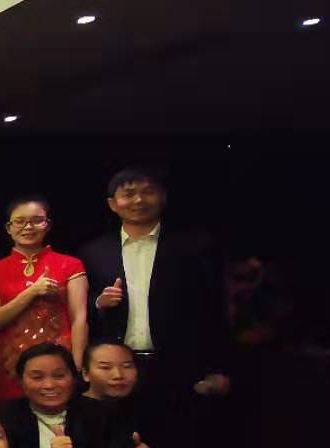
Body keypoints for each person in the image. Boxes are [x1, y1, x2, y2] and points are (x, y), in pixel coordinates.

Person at [79, 168, 232, 420]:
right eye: (129, 194)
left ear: (162, 197)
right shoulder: (94, 252)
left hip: (179, 366)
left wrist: (219, 367)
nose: (139, 200)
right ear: (112, 204)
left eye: (148, 192)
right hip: (115, 370)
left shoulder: (194, 246)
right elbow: (79, 309)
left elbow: (214, 308)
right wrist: (98, 303)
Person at [0, 196, 89, 399]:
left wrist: (77, 365)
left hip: (57, 360)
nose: (28, 227)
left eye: (36, 220)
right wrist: (31, 292)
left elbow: (79, 320)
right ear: (8, 228)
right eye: (20, 221)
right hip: (9, 363)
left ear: (47, 225)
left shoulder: (71, 265)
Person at [0, 343, 82, 448]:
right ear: (20, 381)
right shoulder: (3, 418)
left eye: (59, 376)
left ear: (74, 378)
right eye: (37, 377)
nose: (49, 385)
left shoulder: (97, 415)